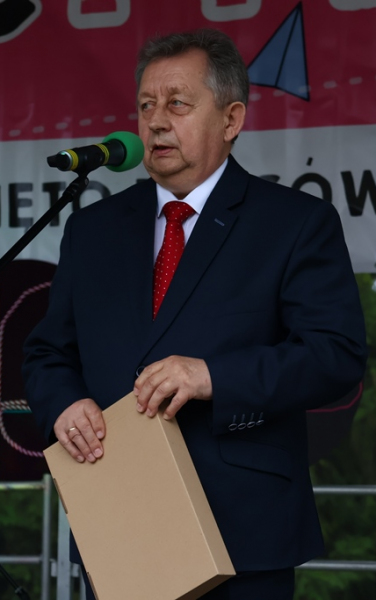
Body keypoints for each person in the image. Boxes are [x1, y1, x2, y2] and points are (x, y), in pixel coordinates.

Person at [22, 29, 367, 599]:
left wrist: (213, 376)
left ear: (232, 119)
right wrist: (64, 403)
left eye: (177, 104)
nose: (157, 122)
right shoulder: (93, 229)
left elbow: (336, 355)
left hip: (241, 528)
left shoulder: (293, 223)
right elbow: (48, 352)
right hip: (122, 521)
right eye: (146, 105)